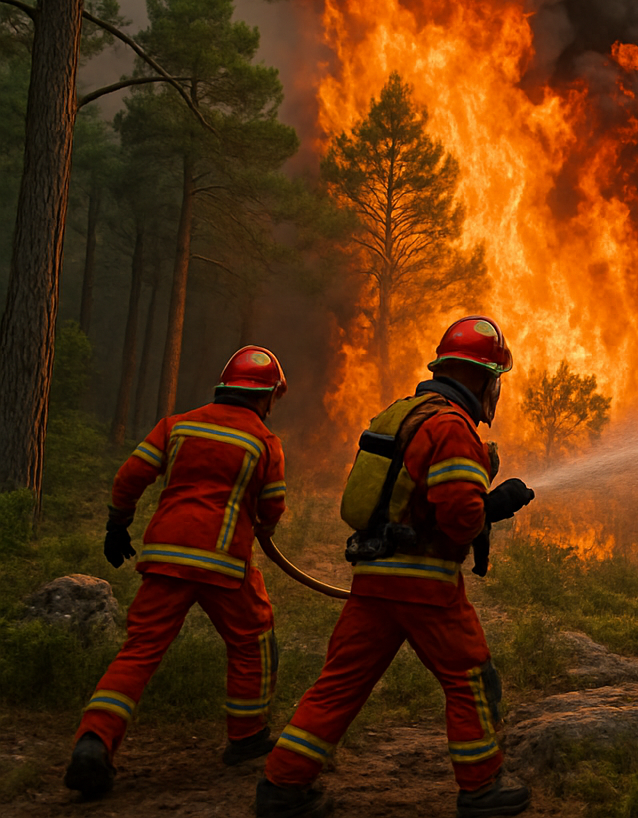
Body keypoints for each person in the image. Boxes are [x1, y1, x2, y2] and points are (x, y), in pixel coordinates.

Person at [256, 317, 536, 818]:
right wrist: (497, 505)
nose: (497, 390)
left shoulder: (403, 413)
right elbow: (458, 518)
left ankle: (282, 784)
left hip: (374, 577)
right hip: (424, 583)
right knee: (471, 677)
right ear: (480, 378)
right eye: (495, 378)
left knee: (339, 683)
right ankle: (480, 788)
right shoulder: (452, 427)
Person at [65, 346, 292, 799]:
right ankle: (247, 738)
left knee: (140, 651)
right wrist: (260, 526)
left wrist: (118, 523)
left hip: (165, 555)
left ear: (225, 386)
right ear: (267, 396)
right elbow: (272, 509)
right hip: (224, 562)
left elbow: (131, 474)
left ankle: (94, 741)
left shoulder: (178, 424)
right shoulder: (265, 442)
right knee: (253, 639)